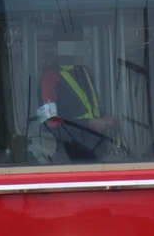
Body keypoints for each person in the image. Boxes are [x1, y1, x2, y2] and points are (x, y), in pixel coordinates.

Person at [34, 32, 120, 160]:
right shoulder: (48, 77)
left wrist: (105, 119)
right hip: (69, 154)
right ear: (56, 47)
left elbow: (90, 107)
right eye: (68, 44)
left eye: (77, 43)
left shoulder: (86, 71)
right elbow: (50, 123)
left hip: (98, 149)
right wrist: (90, 124)